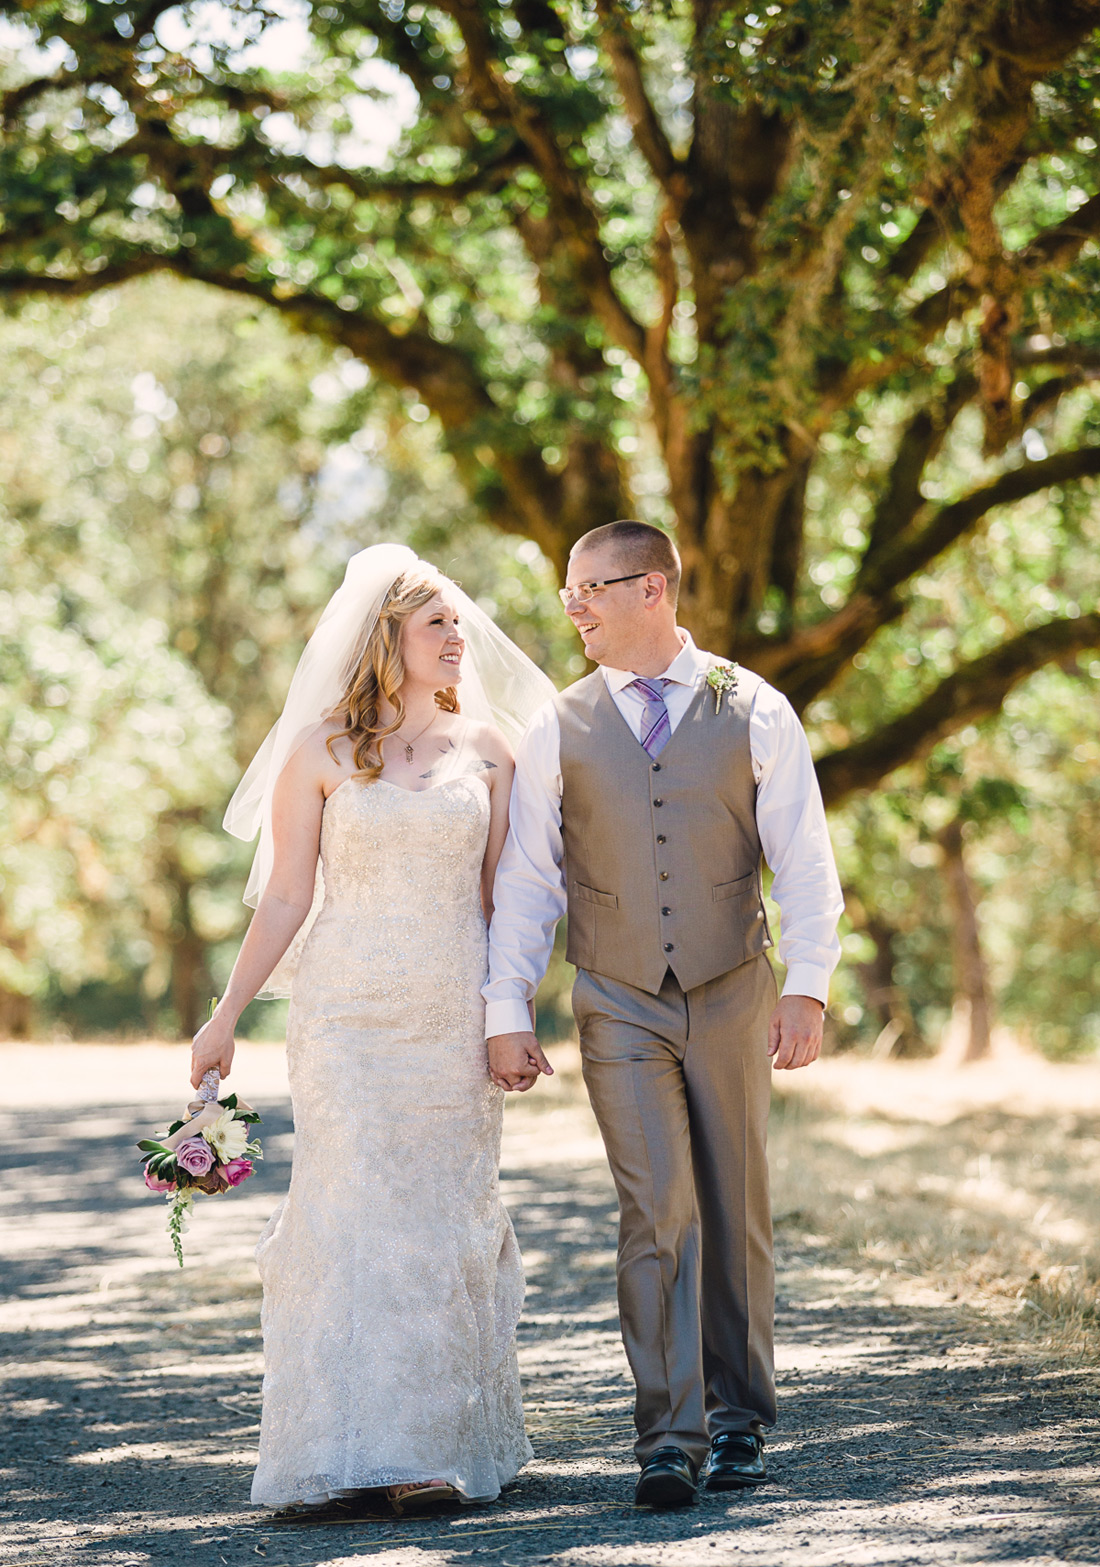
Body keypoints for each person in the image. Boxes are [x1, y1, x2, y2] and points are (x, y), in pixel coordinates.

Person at [485, 520, 843, 1508]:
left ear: (652, 589)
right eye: (567, 594)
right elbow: (526, 880)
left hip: (731, 986)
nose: (574, 610)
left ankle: (737, 1425)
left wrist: (806, 985)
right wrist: (502, 1005)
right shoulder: (558, 723)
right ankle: (667, 1437)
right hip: (615, 995)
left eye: (587, 590)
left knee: (733, 1205)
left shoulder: (752, 706)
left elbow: (803, 859)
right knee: (656, 1210)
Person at [190, 544, 554, 1514]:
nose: (455, 636)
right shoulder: (319, 751)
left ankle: (426, 1451)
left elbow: (505, 902)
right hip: (342, 1015)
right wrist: (224, 1017)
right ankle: (332, 1451)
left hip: (447, 1017)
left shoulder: (491, 753)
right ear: (383, 635)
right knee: (349, 1215)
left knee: (438, 1220)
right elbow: (284, 901)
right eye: (434, 621)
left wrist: (507, 1016)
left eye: (456, 623)